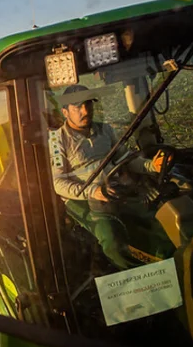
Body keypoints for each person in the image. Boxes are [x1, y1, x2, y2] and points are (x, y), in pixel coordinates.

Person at [48, 84, 164, 269]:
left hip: (116, 189)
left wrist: (151, 166)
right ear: (65, 112)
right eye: (78, 107)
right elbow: (58, 183)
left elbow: (126, 159)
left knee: (159, 223)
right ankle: (136, 280)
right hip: (84, 200)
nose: (85, 111)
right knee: (113, 243)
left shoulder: (105, 130)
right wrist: (92, 191)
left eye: (88, 104)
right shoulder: (57, 140)